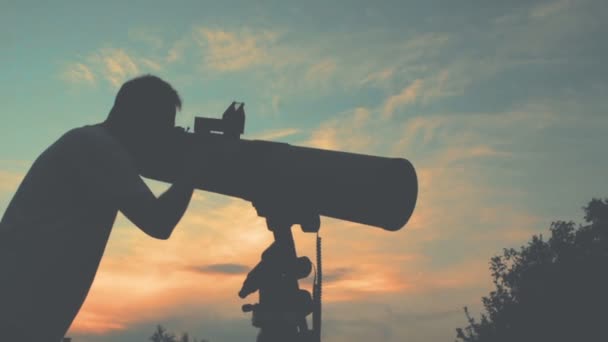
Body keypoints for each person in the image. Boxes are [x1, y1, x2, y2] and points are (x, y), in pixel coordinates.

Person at [0, 75, 199, 341]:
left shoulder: (90, 144)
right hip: (16, 311)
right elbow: (159, 223)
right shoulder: (99, 149)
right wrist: (195, 169)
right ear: (139, 119)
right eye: (161, 127)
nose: (162, 138)